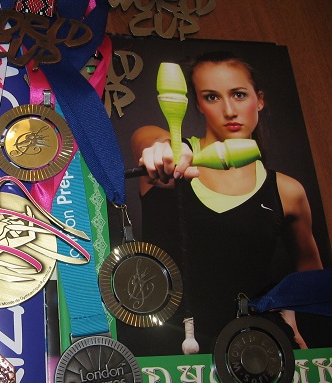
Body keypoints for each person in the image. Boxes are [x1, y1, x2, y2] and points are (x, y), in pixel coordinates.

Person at [128, 51, 324, 356]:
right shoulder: (169, 163)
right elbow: (148, 138)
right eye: (212, 97)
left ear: (259, 100)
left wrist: (292, 318)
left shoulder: (286, 190)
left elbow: (310, 272)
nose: (229, 110)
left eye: (239, 94)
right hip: (164, 352)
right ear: (197, 104)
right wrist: (161, 151)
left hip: (254, 352)